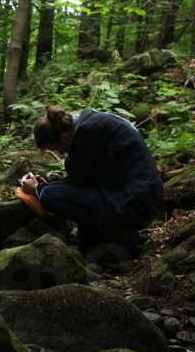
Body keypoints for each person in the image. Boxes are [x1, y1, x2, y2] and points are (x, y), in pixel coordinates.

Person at [21, 105, 163, 251]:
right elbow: (82, 177)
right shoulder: (90, 121)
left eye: (57, 149)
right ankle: (99, 237)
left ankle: (115, 234)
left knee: (48, 196)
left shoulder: (88, 131)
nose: (62, 153)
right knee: (50, 190)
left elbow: (80, 181)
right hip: (134, 194)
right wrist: (45, 185)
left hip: (135, 203)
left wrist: (37, 189)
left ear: (63, 138)